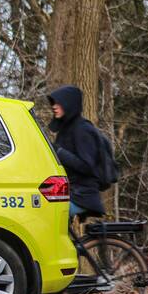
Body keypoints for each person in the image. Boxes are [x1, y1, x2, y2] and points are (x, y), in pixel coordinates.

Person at [47, 85, 106, 220]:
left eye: (58, 103)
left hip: (82, 195)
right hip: (70, 191)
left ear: (69, 104)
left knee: (47, 213)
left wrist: (59, 152)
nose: (54, 107)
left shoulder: (82, 129)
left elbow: (87, 166)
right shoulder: (66, 129)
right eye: (53, 103)